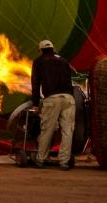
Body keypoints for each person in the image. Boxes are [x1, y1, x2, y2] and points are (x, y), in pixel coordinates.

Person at [30, 40, 77, 169]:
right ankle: (64, 162)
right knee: (68, 131)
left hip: (52, 99)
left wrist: (35, 103)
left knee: (47, 130)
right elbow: (70, 80)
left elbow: (35, 84)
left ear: (40, 50)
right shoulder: (63, 60)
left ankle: (40, 159)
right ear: (53, 48)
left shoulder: (38, 62)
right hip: (69, 99)